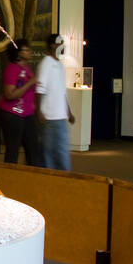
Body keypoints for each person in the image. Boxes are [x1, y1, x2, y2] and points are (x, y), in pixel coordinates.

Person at [0, 38, 40, 166]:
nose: (29, 52)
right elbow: (10, 94)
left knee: (33, 147)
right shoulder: (12, 69)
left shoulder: (27, 69)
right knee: (13, 148)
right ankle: (10, 176)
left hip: (27, 114)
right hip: (12, 114)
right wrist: (30, 83)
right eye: (26, 50)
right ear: (18, 53)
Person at [36, 33, 76, 171]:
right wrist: (39, 111)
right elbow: (40, 89)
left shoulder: (59, 65)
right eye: (60, 42)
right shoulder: (46, 64)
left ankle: (63, 178)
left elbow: (61, 92)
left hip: (60, 116)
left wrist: (69, 112)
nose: (63, 45)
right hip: (50, 117)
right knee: (51, 152)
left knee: (61, 151)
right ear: (53, 45)